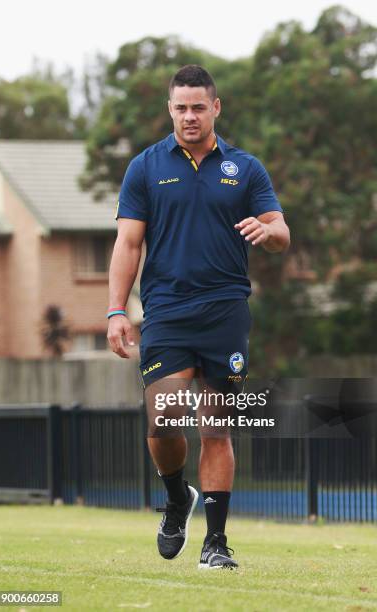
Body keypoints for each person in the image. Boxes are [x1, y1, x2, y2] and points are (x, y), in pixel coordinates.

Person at [107, 65, 290, 569]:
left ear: (216, 108)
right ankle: (175, 496)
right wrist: (117, 310)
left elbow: (281, 233)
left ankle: (216, 542)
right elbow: (128, 242)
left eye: (198, 107)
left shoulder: (246, 169)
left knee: (217, 425)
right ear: (170, 110)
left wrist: (267, 230)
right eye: (181, 107)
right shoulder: (144, 168)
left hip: (226, 312)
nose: (189, 116)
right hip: (165, 311)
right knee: (165, 418)